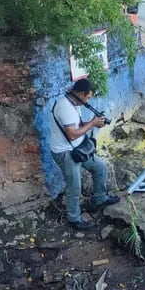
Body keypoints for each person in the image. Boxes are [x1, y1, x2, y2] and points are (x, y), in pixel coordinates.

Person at [50, 78, 120, 230]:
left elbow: (78, 125)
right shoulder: (65, 108)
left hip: (78, 148)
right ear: (81, 94)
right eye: (88, 97)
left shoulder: (75, 102)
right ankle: (74, 219)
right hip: (65, 152)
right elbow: (72, 135)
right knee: (74, 186)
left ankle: (100, 198)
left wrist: (92, 122)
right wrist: (92, 124)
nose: (89, 100)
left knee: (100, 167)